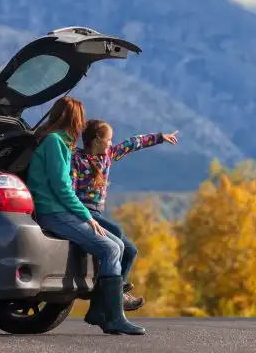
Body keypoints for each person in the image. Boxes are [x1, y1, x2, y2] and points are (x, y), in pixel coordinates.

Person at [26, 97, 145, 335]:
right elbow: (62, 188)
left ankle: (102, 311)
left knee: (119, 245)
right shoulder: (55, 143)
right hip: (54, 212)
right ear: (74, 118)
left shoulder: (58, 143)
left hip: (60, 210)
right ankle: (112, 317)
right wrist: (87, 217)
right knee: (111, 249)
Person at [71, 119, 179, 310]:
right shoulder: (76, 160)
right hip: (85, 213)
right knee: (117, 232)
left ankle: (117, 289)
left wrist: (160, 137)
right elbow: (70, 191)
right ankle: (113, 294)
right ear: (97, 140)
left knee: (131, 250)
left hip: (98, 213)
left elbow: (132, 143)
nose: (112, 143)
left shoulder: (108, 156)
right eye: (109, 140)